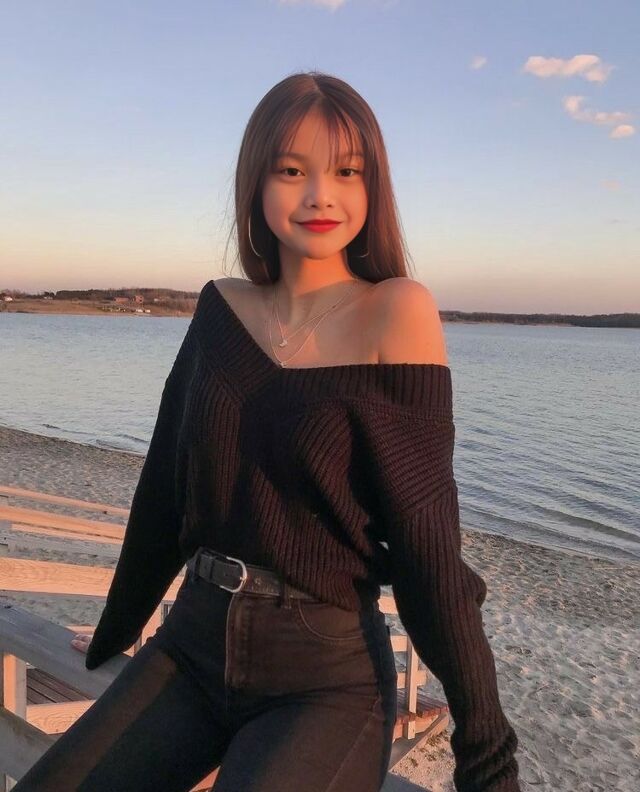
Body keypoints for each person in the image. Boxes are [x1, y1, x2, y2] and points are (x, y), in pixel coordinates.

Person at [14, 71, 521, 791]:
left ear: (373, 187)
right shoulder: (222, 308)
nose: (321, 195)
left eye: (347, 172)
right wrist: (118, 626)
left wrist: (485, 748)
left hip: (324, 676)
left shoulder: (396, 311)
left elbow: (427, 544)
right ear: (256, 182)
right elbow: (166, 482)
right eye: (291, 170)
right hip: (191, 643)